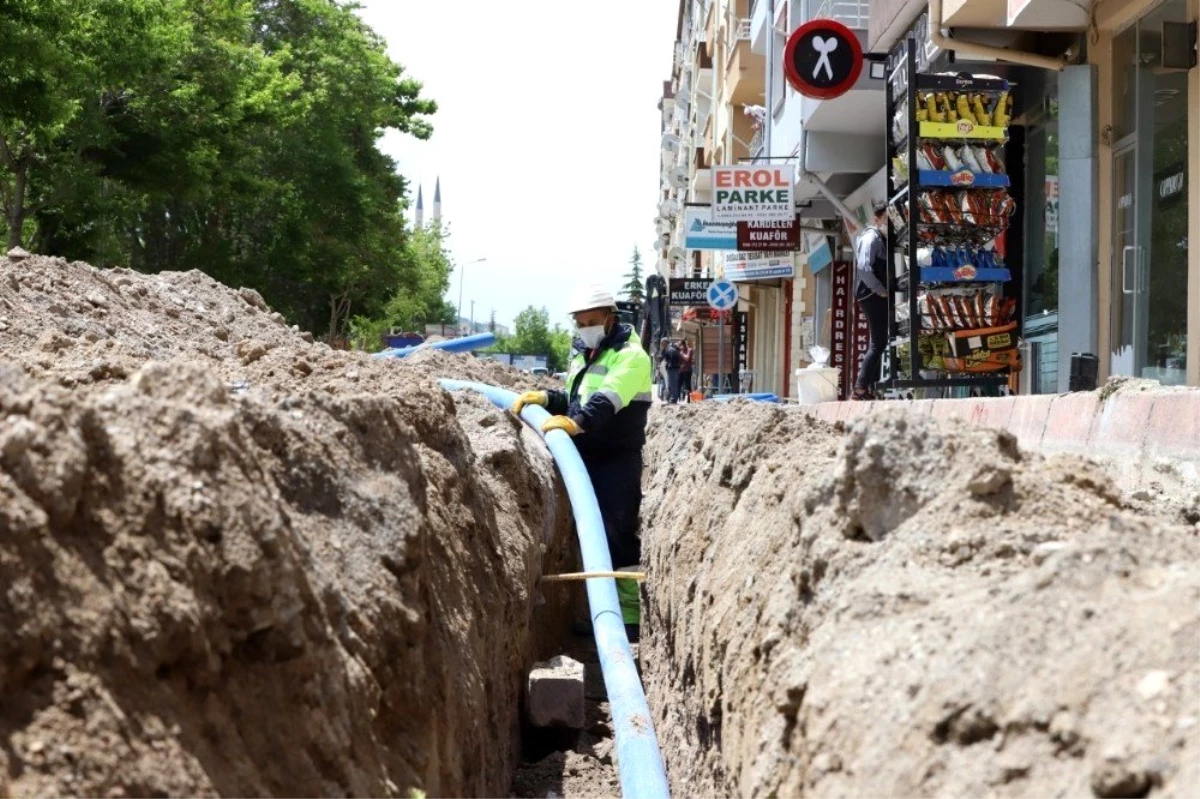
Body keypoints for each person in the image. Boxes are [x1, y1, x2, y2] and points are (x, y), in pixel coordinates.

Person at [510, 283, 653, 641]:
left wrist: (578, 423)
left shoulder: (631, 356)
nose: (585, 328)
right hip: (582, 452)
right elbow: (578, 398)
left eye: (592, 321)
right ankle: (592, 612)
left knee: (616, 532)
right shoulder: (583, 354)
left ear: (610, 319)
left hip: (615, 457)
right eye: (580, 322)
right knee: (582, 534)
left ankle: (629, 620)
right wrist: (547, 397)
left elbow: (606, 399)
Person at [853, 200, 890, 400]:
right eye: (886, 219)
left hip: (873, 294)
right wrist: (880, 290)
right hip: (870, 294)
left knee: (880, 342)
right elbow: (864, 268)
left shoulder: (880, 238)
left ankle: (868, 388)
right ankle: (860, 388)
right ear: (876, 219)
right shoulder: (871, 238)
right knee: (877, 342)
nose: (889, 224)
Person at [662, 337, 682, 403]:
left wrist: (669, 364)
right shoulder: (671, 348)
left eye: (662, 343)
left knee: (673, 384)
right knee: (672, 384)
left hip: (672, 369)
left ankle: (674, 398)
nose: (662, 345)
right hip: (674, 368)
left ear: (665, 342)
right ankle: (671, 397)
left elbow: (673, 358)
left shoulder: (670, 349)